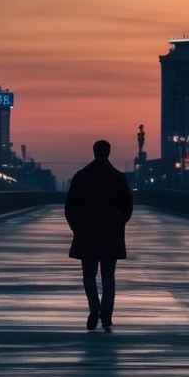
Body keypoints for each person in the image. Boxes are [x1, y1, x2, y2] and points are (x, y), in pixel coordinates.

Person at [64, 139, 133, 331]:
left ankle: (94, 307)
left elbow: (69, 208)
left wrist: (76, 228)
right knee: (108, 277)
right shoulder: (118, 177)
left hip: (87, 233)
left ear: (94, 152)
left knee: (89, 275)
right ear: (108, 152)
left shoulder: (81, 176)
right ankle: (107, 317)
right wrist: (119, 223)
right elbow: (127, 207)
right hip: (111, 234)